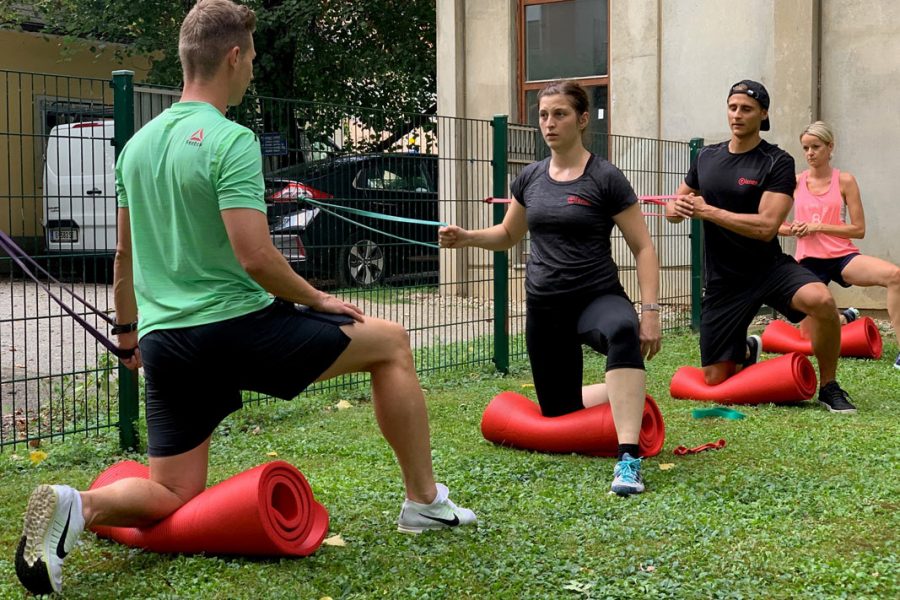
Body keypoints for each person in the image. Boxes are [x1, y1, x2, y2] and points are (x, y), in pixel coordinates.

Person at [14, 1, 474, 595]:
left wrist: (129, 336)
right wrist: (319, 298)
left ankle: (82, 506)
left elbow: (123, 258)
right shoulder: (229, 140)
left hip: (166, 341)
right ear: (233, 56)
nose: (253, 70)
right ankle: (424, 501)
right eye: (252, 58)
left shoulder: (136, 147)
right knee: (390, 343)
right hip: (237, 330)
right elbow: (256, 256)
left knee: (176, 490)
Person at [439, 80, 662, 496]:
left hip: (597, 297)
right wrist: (466, 236)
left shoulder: (606, 177)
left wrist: (649, 310)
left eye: (559, 114)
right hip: (546, 310)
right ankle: (629, 395)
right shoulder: (530, 178)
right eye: (543, 115)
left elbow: (644, 247)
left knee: (623, 331)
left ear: (581, 120)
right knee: (558, 409)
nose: (549, 123)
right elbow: (508, 235)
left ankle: (628, 459)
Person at [666, 80, 856, 413]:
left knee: (822, 300)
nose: (737, 115)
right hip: (724, 280)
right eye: (732, 107)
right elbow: (675, 204)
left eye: (746, 109)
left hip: (769, 269)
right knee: (714, 379)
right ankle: (744, 351)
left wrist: (707, 210)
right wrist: (675, 209)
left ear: (763, 113)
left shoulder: (775, 161)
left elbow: (767, 227)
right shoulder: (707, 157)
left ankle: (829, 386)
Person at [779, 121, 900, 370]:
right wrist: (794, 229)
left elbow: (859, 230)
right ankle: (844, 318)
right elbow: (775, 222)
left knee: (895, 275)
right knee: (808, 338)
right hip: (808, 262)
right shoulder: (795, 182)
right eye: (805, 148)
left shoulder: (845, 181)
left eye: (816, 147)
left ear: (830, 147)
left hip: (843, 257)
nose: (810, 153)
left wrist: (817, 226)